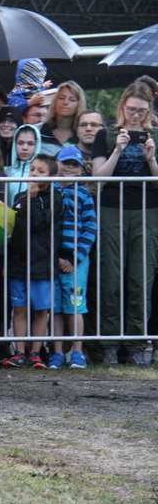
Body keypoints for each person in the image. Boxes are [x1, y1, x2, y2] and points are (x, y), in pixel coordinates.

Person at [92, 82, 158, 367]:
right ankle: (108, 343)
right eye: (131, 109)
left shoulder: (155, 135)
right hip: (111, 209)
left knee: (141, 280)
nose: (135, 116)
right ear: (122, 106)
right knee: (111, 279)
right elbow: (98, 179)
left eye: (141, 111)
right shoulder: (105, 135)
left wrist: (151, 159)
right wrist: (117, 151)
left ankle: (134, 344)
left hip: (147, 210)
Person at [4, 154, 63, 368]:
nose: (35, 175)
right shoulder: (20, 196)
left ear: (52, 176)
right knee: (19, 309)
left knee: (40, 310)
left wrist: (33, 199)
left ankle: (35, 352)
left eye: (41, 171)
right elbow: (16, 227)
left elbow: (39, 224)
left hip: (41, 263)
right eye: (33, 170)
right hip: (19, 262)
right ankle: (19, 352)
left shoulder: (55, 198)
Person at [47, 146, 97, 370]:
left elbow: (90, 229)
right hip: (53, 257)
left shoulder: (84, 193)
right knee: (56, 306)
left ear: (80, 170)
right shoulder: (49, 189)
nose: (69, 167)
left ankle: (77, 350)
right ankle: (57, 352)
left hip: (76, 259)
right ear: (57, 164)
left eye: (74, 164)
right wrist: (54, 256)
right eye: (65, 162)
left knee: (75, 304)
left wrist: (75, 258)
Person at [40, 81, 87, 156]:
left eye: (72, 99)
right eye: (61, 98)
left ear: (79, 104)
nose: (65, 102)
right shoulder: (37, 130)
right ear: (54, 101)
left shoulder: (83, 135)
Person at [6, 124, 42, 203]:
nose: (25, 148)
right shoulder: (5, 171)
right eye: (20, 143)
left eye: (30, 144)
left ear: (37, 145)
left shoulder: (41, 174)